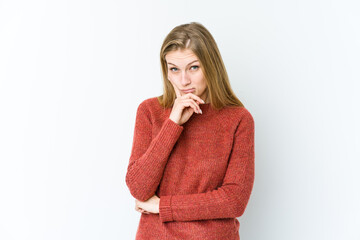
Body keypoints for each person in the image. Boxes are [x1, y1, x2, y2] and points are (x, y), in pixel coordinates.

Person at [125, 22, 255, 240]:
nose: (184, 80)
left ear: (210, 66)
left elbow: (234, 200)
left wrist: (163, 206)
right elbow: (139, 188)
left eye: (193, 67)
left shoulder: (238, 119)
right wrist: (173, 123)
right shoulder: (149, 111)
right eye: (174, 69)